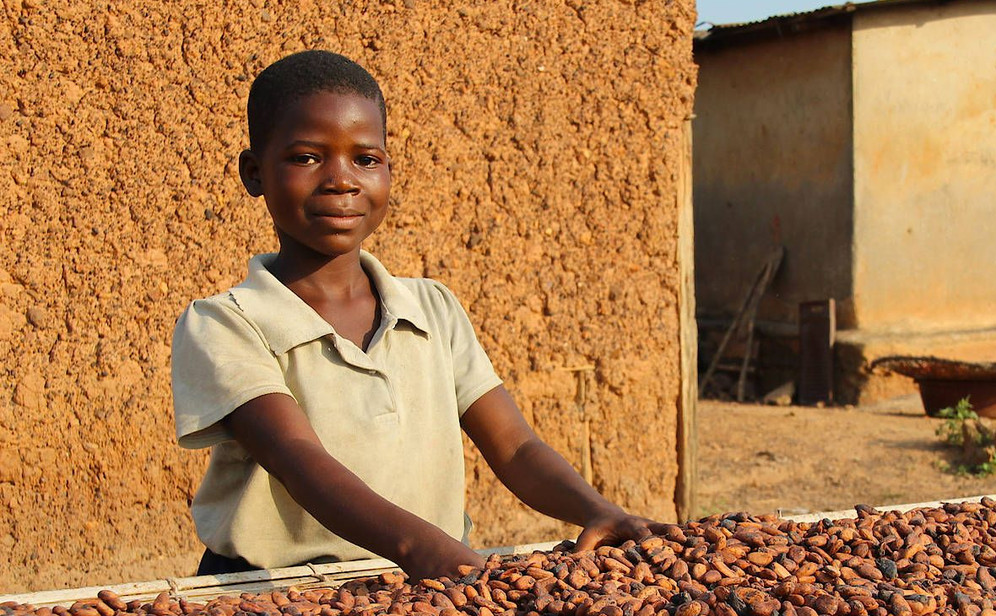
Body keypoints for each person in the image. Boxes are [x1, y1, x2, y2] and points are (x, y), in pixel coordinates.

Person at [171, 50, 667, 580]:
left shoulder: (432, 309)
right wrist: (420, 548)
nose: (342, 181)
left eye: (365, 159)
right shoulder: (226, 322)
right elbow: (299, 460)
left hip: (428, 583)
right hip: (273, 593)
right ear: (254, 172)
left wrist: (595, 509)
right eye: (307, 157)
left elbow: (515, 445)